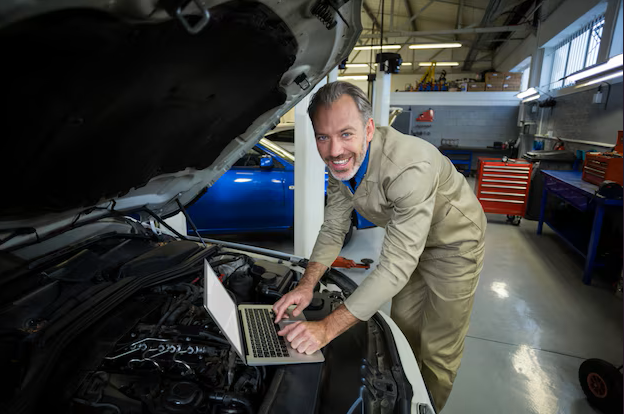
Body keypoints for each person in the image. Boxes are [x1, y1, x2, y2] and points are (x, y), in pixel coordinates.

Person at [272, 81, 486, 411]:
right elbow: (333, 229)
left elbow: (395, 266)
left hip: (453, 244)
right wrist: (306, 284)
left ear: (369, 129)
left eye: (346, 134)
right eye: (323, 137)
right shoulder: (342, 166)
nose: (334, 150)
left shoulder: (409, 166)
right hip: (411, 240)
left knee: (438, 348)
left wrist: (327, 328)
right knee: (404, 331)